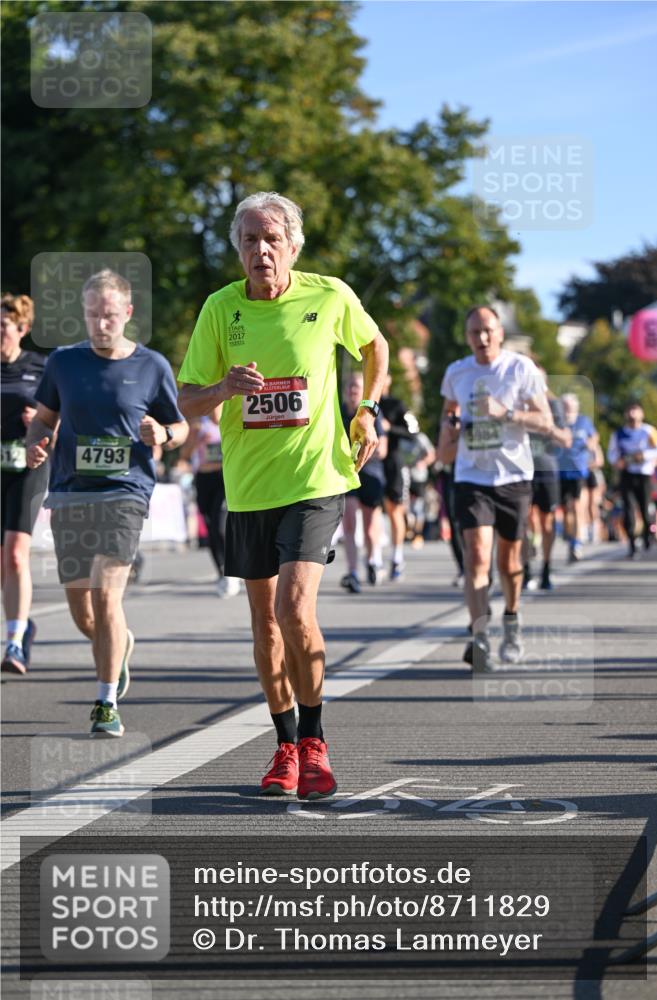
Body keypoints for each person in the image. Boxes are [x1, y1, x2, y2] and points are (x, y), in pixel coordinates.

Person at [177, 192, 388, 800]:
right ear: (237, 249)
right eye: (249, 239)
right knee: (266, 626)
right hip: (247, 490)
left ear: (293, 245)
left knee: (297, 611)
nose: (260, 250)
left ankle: (316, 740)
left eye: (271, 238)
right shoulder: (220, 309)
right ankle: (284, 744)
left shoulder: (329, 295)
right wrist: (222, 387)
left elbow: (376, 347)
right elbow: (186, 399)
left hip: (316, 479)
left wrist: (367, 409)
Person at [26, 269, 188, 736]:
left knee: (106, 592)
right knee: (84, 613)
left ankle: (105, 702)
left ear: (128, 314)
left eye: (111, 315)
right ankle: (118, 647)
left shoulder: (151, 366)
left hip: (126, 491)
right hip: (70, 491)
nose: (102, 324)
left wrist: (165, 434)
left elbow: (180, 427)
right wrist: (38, 443)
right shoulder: (63, 362)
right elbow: (43, 419)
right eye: (94, 315)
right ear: (84, 313)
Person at [437, 306, 552, 671]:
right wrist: (451, 430)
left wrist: (508, 413)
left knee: (510, 563)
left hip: (513, 478)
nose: (482, 338)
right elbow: (447, 423)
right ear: (467, 336)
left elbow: (545, 420)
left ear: (500, 332)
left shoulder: (521, 369)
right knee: (476, 555)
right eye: (474, 332)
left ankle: (513, 619)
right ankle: (480, 635)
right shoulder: (457, 372)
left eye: (487, 330)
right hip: (472, 477)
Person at [1, 294, 48, 674]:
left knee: (16, 553)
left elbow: (59, 418)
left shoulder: (40, 367)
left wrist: (40, 420)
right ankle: (23, 623)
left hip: (27, 465)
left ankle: (14, 641)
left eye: (4, 326)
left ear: (22, 329)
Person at [181, 404, 240, 597]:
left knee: (220, 525)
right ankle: (222, 570)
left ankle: (232, 572)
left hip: (225, 478)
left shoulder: (232, 418)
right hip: (204, 479)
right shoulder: (199, 424)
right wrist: (195, 440)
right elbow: (185, 455)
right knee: (210, 527)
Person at [339, 370, 388, 593]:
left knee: (369, 527)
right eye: (350, 387)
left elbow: (383, 449)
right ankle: (352, 571)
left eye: (357, 388)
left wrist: (361, 451)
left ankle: (372, 561)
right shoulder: (338, 412)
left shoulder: (370, 414)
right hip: (347, 474)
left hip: (370, 473)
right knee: (349, 522)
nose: (352, 392)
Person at [523, 370, 572, 591]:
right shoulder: (516, 402)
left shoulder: (554, 405)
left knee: (547, 522)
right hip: (520, 470)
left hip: (546, 469)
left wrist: (545, 425)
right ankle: (525, 569)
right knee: (522, 522)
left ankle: (546, 567)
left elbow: (565, 439)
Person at [607, 401, 657, 558]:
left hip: (644, 475)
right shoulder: (619, 433)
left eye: (635, 410)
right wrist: (618, 462)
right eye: (629, 410)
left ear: (641, 414)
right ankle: (632, 543)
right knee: (628, 508)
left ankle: (648, 533)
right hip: (627, 475)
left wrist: (644, 456)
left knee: (645, 509)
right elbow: (612, 454)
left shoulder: (648, 431)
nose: (632, 414)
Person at [380, 374, 415, 580]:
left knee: (395, 511)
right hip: (372, 464)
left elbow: (412, 431)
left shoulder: (396, 404)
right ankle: (374, 559)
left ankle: (397, 557)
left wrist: (389, 428)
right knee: (372, 511)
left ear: (388, 380)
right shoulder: (366, 403)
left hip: (393, 462)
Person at [557, 393, 598, 563]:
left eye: (571, 407)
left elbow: (594, 436)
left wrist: (592, 446)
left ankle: (576, 543)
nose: (568, 410)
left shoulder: (584, 421)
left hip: (579, 471)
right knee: (566, 510)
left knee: (577, 506)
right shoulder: (557, 422)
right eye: (565, 406)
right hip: (559, 471)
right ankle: (570, 538)